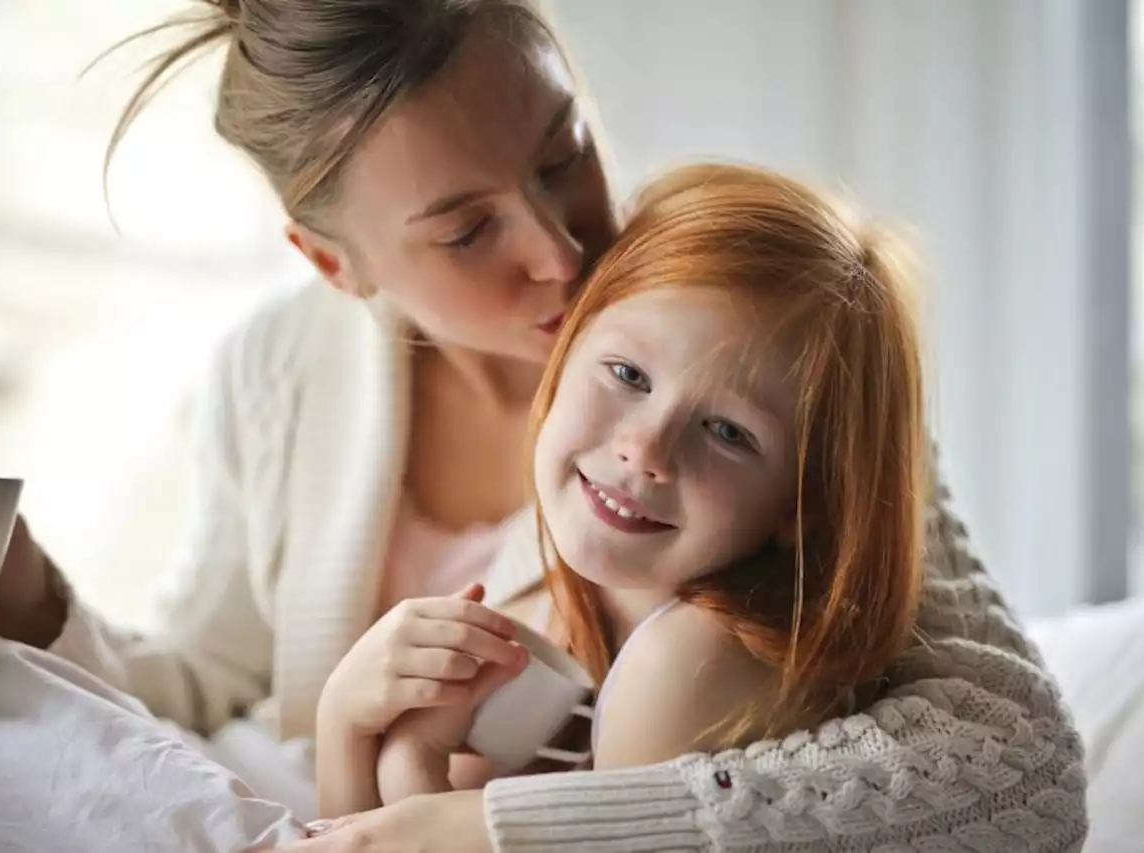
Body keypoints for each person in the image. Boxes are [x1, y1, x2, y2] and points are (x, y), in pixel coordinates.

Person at [0, 1, 1088, 850]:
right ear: (335, 263)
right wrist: (31, 600)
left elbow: (1015, 764)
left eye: (563, 154)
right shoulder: (278, 368)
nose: (563, 251)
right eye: (466, 231)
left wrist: (503, 832)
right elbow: (208, 684)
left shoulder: (744, 328)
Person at [327, 161, 929, 813]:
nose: (644, 451)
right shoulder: (552, 603)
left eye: (728, 430)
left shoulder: (691, 664)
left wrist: (409, 764)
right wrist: (345, 723)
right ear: (563, 355)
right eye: (627, 373)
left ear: (801, 503)